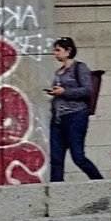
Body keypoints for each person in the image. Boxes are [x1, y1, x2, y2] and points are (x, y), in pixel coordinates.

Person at [47, 37, 103, 182]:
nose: (55, 53)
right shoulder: (58, 72)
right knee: (56, 158)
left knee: (78, 156)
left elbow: (87, 90)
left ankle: (100, 182)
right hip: (58, 118)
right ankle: (55, 191)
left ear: (68, 51)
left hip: (75, 116)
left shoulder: (79, 68)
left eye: (58, 50)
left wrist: (64, 92)